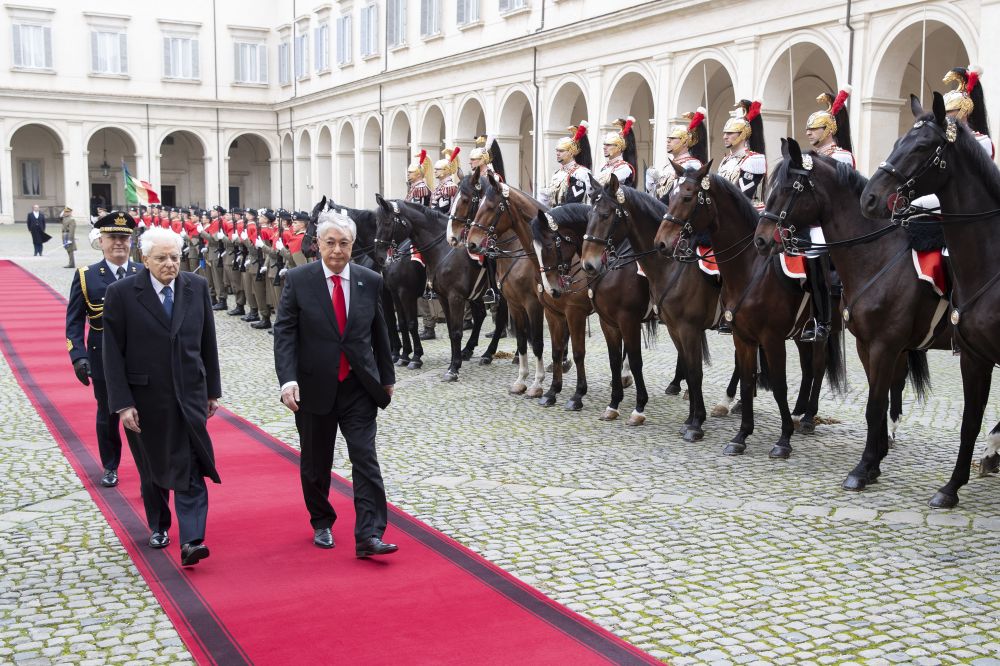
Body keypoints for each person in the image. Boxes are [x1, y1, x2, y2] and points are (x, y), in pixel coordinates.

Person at [273, 210, 398, 557]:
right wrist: (288, 380)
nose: (338, 250)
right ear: (318, 245)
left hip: (358, 385)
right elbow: (284, 333)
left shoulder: (369, 279)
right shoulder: (299, 280)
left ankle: (369, 534)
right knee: (316, 461)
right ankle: (322, 520)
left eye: (344, 243)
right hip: (313, 387)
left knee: (365, 458)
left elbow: (379, 331)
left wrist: (385, 377)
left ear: (353, 245)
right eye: (331, 243)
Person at [102, 226, 222, 567]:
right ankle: (158, 524)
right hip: (145, 399)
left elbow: (207, 342)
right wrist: (123, 404)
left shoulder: (196, 287)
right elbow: (113, 354)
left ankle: (192, 540)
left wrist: (212, 389)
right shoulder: (122, 293)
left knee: (190, 464)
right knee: (152, 466)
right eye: (162, 258)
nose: (170, 264)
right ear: (145, 259)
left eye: (175, 257)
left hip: (190, 395)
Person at [66, 211, 141, 489]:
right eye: (113, 238)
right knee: (107, 415)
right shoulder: (87, 276)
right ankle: (110, 465)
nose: (119, 243)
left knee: (144, 413)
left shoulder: (143, 273)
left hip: (139, 358)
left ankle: (150, 466)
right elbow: (73, 320)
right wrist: (78, 356)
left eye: (124, 237)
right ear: (101, 240)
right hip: (101, 356)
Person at [799, 87, 855, 343]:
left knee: (815, 251)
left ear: (829, 129)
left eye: (815, 128)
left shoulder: (841, 156)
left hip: (832, 222)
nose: (808, 132)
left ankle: (822, 320)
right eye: (808, 128)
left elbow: (840, 192)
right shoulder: (808, 158)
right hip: (809, 220)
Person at [717, 99, 766, 333]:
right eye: (725, 133)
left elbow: (742, 194)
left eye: (730, 133)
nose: (725, 136)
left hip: (750, 216)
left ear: (743, 133)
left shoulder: (754, 159)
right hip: (724, 217)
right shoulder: (726, 160)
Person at [647, 108, 707, 200]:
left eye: (673, 138)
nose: (668, 141)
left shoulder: (692, 164)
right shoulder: (667, 167)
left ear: (685, 142)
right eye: (668, 138)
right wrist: (652, 182)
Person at [540, 121, 593, 207]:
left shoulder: (581, 173)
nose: (557, 153)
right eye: (557, 150)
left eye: (561, 151)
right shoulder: (556, 174)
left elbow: (575, 202)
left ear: (571, 153)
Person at [596, 117, 638, 188]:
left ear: (618, 147)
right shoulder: (604, 168)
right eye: (604, 144)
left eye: (608, 144)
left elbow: (605, 185)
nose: (604, 147)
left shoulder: (624, 168)